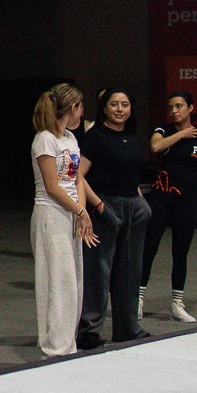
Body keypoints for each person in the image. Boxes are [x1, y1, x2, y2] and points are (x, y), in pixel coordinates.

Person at [140, 91, 197, 323]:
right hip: (161, 196)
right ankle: (137, 300)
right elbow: (155, 147)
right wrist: (181, 135)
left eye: (179, 106)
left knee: (180, 251)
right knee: (149, 247)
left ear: (190, 108)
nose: (174, 111)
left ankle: (177, 303)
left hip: (187, 199)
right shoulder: (163, 129)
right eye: (170, 107)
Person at [78, 88, 151, 348]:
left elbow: (132, 173)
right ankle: (90, 330)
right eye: (114, 104)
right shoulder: (95, 137)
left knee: (130, 271)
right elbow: (78, 175)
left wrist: (141, 203)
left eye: (125, 104)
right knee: (99, 270)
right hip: (105, 207)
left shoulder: (131, 136)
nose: (120, 109)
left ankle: (127, 328)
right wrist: (98, 206)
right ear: (104, 108)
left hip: (134, 208)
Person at [31, 84, 99, 358]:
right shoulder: (45, 139)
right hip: (51, 214)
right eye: (81, 107)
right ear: (72, 108)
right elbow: (52, 186)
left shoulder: (70, 138)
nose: (83, 113)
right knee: (57, 281)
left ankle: (67, 342)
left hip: (70, 213)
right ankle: (54, 346)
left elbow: (77, 179)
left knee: (73, 281)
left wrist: (81, 212)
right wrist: (80, 212)